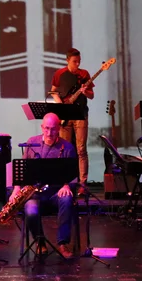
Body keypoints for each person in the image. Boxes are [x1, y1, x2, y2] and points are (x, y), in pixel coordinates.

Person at [7, 112, 77, 259]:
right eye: (46, 128)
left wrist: (66, 186)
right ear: (41, 127)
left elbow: (72, 176)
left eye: (53, 129)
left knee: (67, 199)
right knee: (31, 210)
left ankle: (63, 244)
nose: (49, 132)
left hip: (55, 194)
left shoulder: (67, 147)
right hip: (35, 194)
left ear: (59, 128)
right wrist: (17, 189)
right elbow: (23, 171)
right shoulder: (32, 143)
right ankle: (40, 242)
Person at [50, 48, 93, 187]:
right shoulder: (59, 74)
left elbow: (91, 95)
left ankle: (83, 184)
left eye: (79, 61)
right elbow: (53, 91)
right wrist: (61, 105)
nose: (77, 64)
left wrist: (85, 92)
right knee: (64, 148)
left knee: (81, 149)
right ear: (67, 60)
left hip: (81, 115)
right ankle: (64, 182)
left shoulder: (84, 74)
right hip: (65, 116)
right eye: (75, 61)